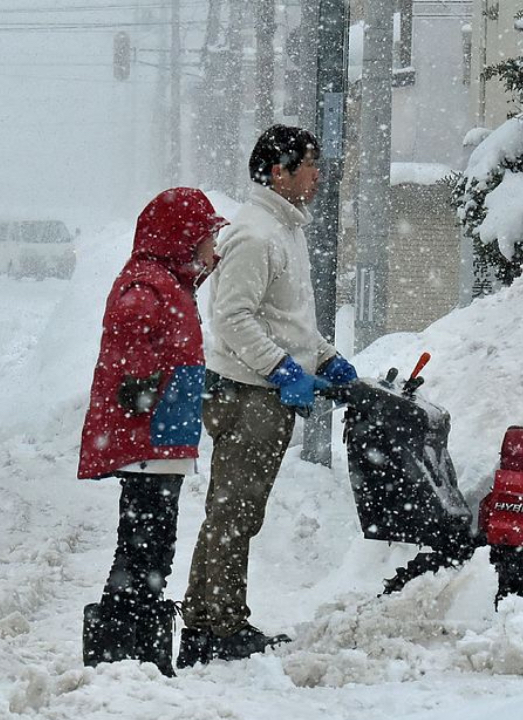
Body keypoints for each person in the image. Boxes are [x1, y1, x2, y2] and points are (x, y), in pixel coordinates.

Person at [177, 125, 357, 668]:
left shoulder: (284, 230)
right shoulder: (256, 234)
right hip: (247, 392)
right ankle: (218, 626)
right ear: (277, 171)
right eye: (308, 163)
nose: (317, 174)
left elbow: (287, 319)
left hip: (263, 390)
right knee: (235, 512)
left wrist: (324, 357)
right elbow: (231, 318)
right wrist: (282, 369)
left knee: (232, 511)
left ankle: (207, 619)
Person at [78, 187, 227, 676]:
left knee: (153, 540)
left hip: (163, 437)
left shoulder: (169, 280)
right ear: (183, 238)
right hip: (150, 437)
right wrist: (140, 383)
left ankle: (135, 628)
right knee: (145, 539)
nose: (215, 248)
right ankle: (125, 635)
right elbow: (132, 324)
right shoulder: (148, 282)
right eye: (208, 237)